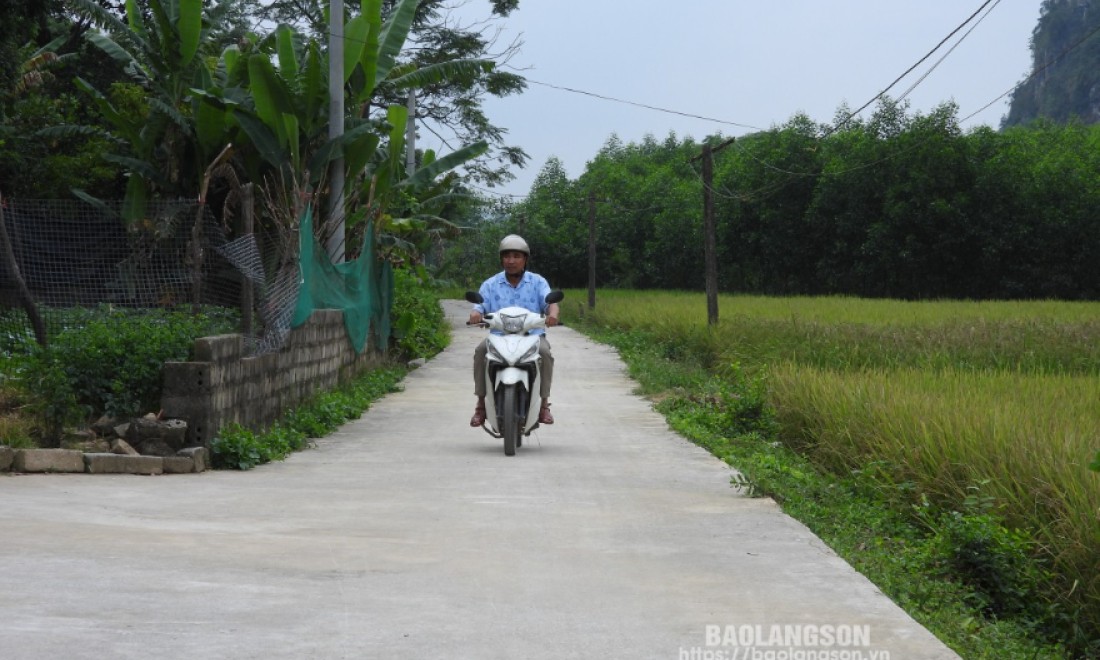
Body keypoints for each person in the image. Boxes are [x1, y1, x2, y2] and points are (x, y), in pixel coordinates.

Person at [469, 234, 560, 427]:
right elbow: (479, 306)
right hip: (498, 337)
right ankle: (480, 405)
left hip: (532, 336)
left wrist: (553, 313)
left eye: (516, 256)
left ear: (525, 259)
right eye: (507, 256)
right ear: (501, 259)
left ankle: (544, 404)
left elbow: (550, 302)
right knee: (479, 352)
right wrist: (475, 314)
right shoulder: (491, 284)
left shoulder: (537, 282)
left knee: (545, 353)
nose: (511, 261)